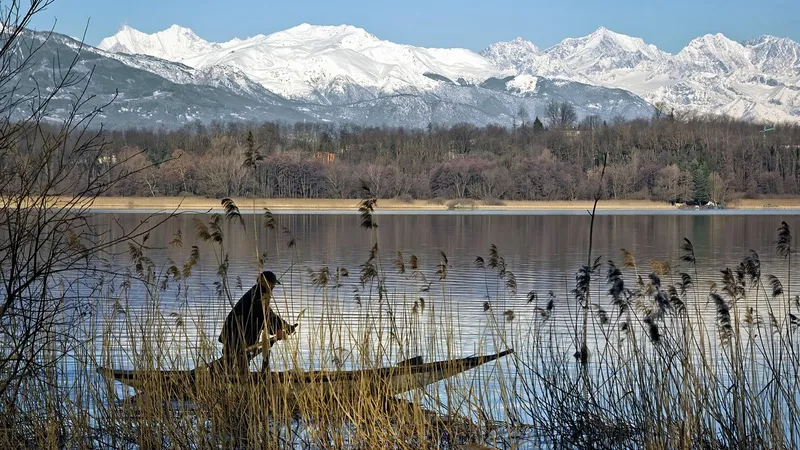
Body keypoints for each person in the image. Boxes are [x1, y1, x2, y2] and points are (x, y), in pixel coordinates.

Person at [218, 270, 296, 375]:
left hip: (237, 336)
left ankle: (230, 379)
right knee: (236, 364)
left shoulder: (258, 293)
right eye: (272, 284)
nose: (273, 287)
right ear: (266, 283)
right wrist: (278, 330)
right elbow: (264, 316)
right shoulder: (257, 296)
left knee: (235, 364)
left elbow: (268, 314)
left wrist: (285, 326)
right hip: (236, 336)